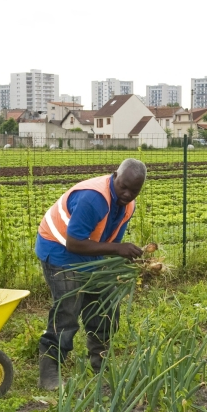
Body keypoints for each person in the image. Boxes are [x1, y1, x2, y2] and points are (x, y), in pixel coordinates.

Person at [35, 157, 147, 390]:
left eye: (133, 191)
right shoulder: (93, 198)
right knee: (67, 309)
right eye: (123, 186)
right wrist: (119, 249)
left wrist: (124, 262)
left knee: (106, 305)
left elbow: (108, 242)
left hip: (89, 252)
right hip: (59, 250)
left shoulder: (128, 207)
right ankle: (49, 372)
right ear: (115, 175)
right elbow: (75, 243)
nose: (127, 194)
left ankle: (100, 364)